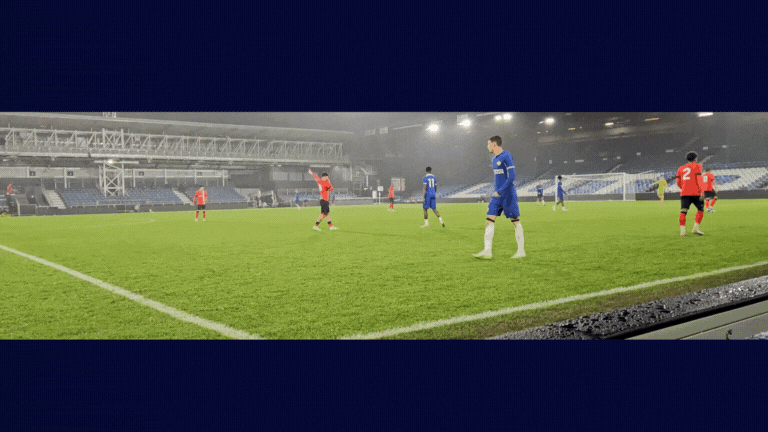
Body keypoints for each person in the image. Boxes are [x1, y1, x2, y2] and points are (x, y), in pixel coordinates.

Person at [473, 136, 525, 259]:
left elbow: (511, 177)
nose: (487, 146)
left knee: (515, 221)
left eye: (489, 144)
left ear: (495, 144)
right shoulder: (493, 159)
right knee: (489, 220)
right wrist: (497, 191)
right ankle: (487, 251)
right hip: (497, 196)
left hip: (507, 194)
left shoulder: (506, 155)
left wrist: (500, 191)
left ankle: (521, 251)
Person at [676, 151, 705, 236]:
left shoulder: (680, 168)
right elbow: (699, 179)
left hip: (685, 193)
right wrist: (702, 191)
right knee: (700, 209)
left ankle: (682, 232)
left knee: (683, 211)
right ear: (695, 158)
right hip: (696, 193)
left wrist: (684, 188)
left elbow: (678, 182)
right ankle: (695, 229)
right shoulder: (698, 166)